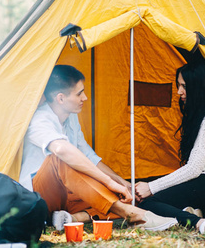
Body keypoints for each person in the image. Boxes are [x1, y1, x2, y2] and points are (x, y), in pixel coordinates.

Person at [19, 65, 178, 231]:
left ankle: (73, 218)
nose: (85, 97)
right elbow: (62, 150)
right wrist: (108, 182)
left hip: (68, 195)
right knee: (62, 159)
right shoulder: (39, 120)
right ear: (60, 98)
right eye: (79, 93)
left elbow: (88, 156)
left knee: (122, 195)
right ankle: (133, 215)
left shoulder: (71, 118)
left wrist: (120, 182)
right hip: (40, 196)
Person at [135, 57, 205, 235]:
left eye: (184, 86)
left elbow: (193, 169)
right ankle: (187, 211)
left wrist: (151, 188)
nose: (178, 92)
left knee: (148, 203)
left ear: (198, 87)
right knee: (158, 188)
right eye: (178, 85)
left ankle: (198, 222)